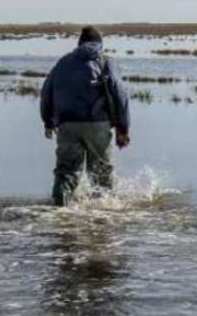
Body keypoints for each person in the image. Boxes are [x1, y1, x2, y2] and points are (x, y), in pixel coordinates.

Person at [40, 26, 131, 206]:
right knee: (101, 173)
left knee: (66, 172)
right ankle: (102, 215)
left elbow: (46, 92)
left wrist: (48, 122)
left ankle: (59, 211)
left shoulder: (62, 63)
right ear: (100, 44)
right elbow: (121, 95)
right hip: (97, 125)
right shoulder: (106, 62)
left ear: (79, 43)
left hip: (66, 125)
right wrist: (123, 129)